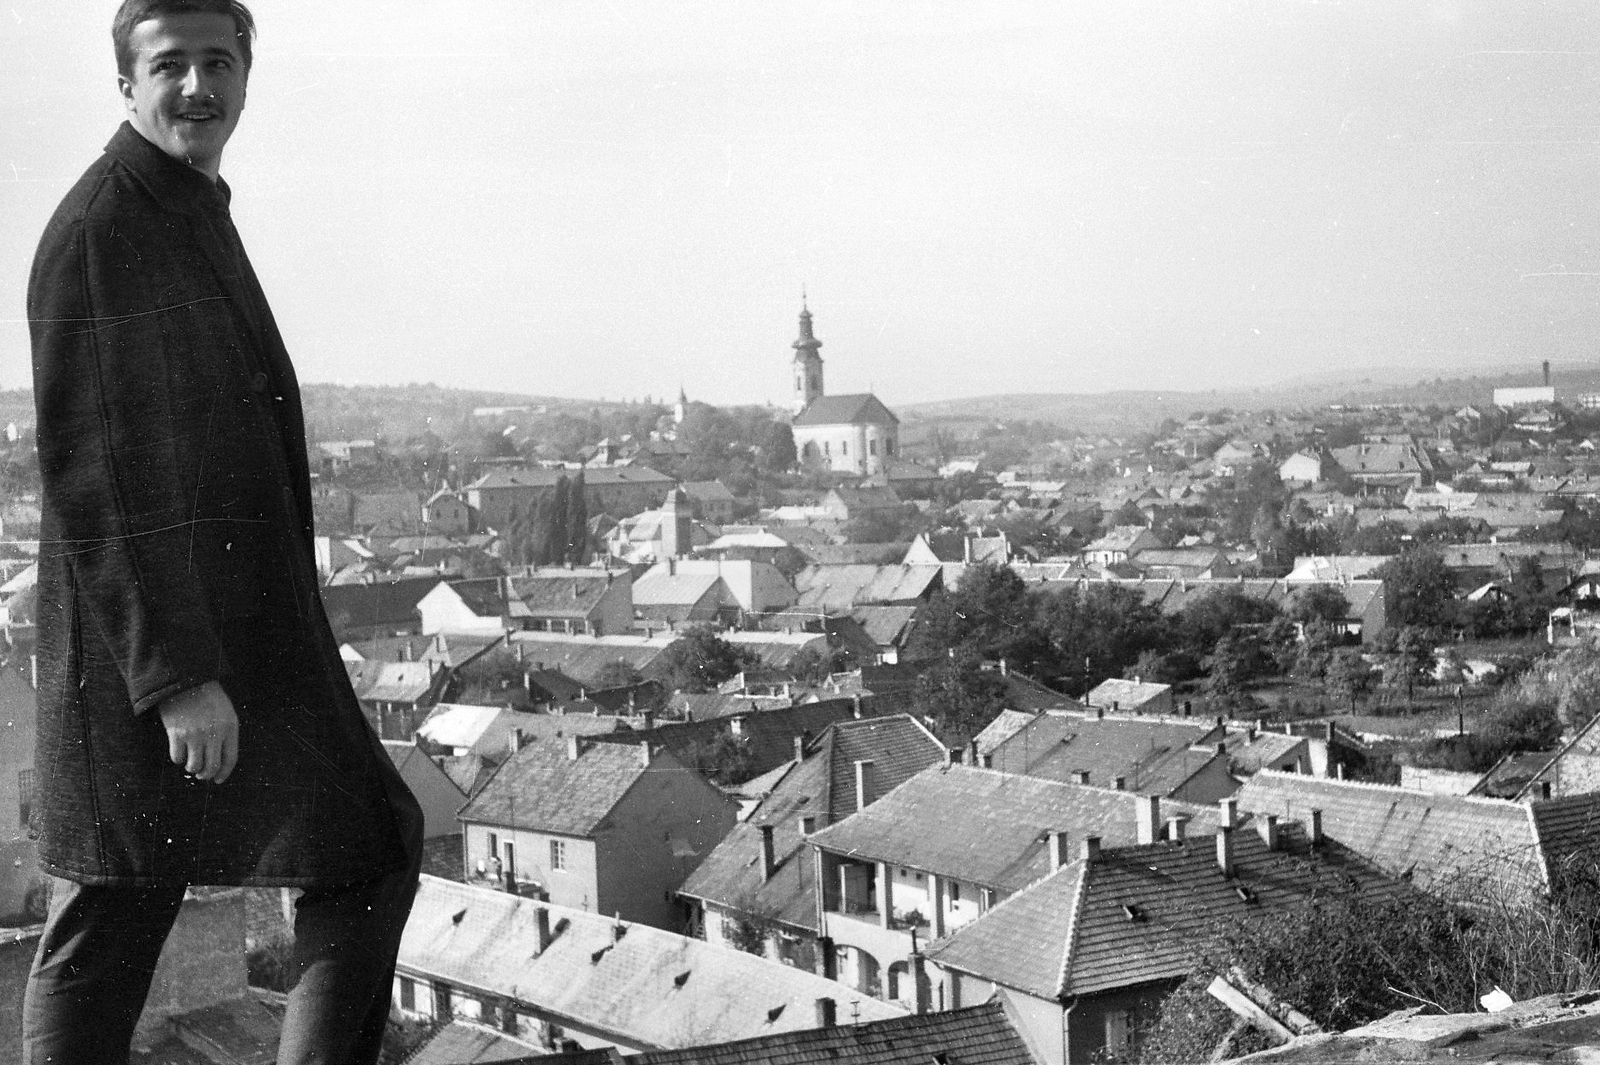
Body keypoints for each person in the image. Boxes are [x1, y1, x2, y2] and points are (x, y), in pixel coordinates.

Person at [24, 3, 423, 1062]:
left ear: (246, 74)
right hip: (149, 651)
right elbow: (98, 475)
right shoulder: (104, 227)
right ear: (127, 83)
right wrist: (175, 677)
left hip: (223, 630)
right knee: (114, 906)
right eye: (171, 65)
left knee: (363, 843)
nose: (199, 86)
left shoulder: (180, 204)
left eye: (218, 61)